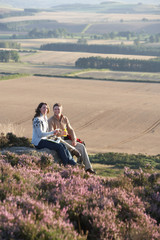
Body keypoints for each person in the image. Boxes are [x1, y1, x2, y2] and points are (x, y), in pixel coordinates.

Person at [48, 103, 96, 174]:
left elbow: (70, 130)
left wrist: (74, 139)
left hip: (66, 140)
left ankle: (88, 168)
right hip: (57, 140)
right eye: (55, 109)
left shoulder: (65, 118)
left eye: (58, 109)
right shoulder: (50, 120)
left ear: (61, 110)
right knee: (71, 147)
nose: (57, 111)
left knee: (81, 146)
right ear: (53, 110)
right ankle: (74, 154)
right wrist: (59, 134)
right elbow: (51, 132)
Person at [32, 102, 77, 166]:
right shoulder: (37, 119)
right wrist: (52, 132)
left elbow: (47, 133)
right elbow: (40, 134)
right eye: (44, 108)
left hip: (44, 140)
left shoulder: (45, 119)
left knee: (62, 145)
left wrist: (55, 132)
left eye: (47, 108)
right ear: (39, 109)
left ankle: (73, 163)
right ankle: (67, 164)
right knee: (59, 147)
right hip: (38, 142)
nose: (45, 109)